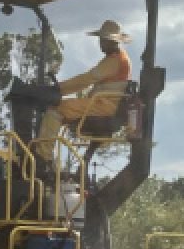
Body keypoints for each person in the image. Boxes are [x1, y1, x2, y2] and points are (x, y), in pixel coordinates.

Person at [34, 19, 133, 169]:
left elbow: (87, 79)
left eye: (103, 40)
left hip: (104, 107)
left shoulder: (114, 60)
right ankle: (48, 158)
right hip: (104, 105)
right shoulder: (117, 58)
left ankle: (42, 158)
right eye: (100, 39)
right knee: (62, 113)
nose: (100, 43)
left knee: (55, 109)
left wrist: (59, 89)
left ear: (112, 41)